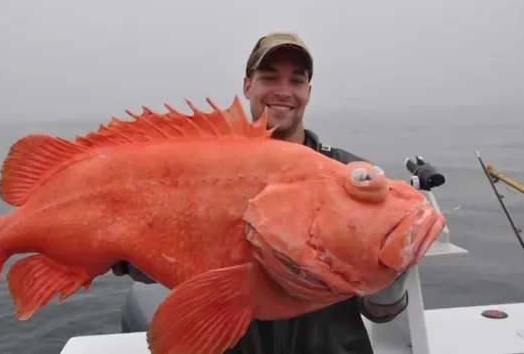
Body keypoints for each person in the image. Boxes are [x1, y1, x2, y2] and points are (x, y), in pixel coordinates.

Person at [112, 32, 410, 354]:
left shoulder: (349, 173)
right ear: (247, 86)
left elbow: (379, 311)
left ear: (308, 92)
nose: (284, 92)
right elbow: (157, 265)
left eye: (296, 81)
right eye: (269, 78)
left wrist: (395, 264)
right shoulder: (200, 169)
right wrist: (133, 252)